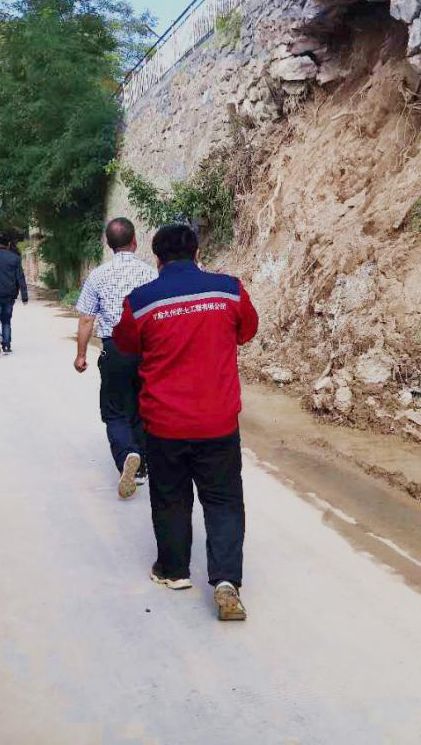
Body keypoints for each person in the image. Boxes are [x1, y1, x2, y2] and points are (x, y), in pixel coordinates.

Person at [112, 222, 259, 621]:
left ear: (157, 260)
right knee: (224, 500)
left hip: (165, 424)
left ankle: (174, 570)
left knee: (171, 497)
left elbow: (126, 344)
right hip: (219, 422)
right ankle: (226, 580)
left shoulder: (141, 300)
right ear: (197, 253)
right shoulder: (228, 289)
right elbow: (247, 329)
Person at [74, 217, 157, 499]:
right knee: (142, 406)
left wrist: (81, 355)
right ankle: (143, 466)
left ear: (109, 245)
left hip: (116, 349)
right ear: (135, 241)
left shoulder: (97, 275)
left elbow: (87, 318)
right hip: (148, 350)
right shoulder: (151, 274)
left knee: (115, 410)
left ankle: (127, 456)